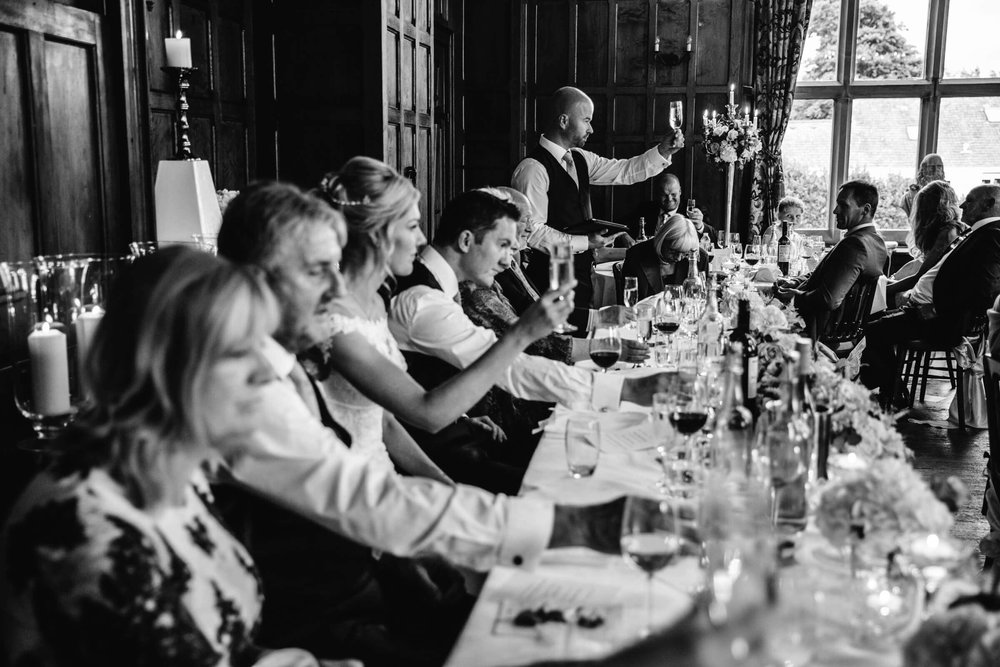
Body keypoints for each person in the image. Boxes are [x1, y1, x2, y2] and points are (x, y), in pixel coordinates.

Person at [213, 182, 630, 660]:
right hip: (325, 602)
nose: (335, 289)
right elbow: (362, 492)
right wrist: (555, 526)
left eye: (335, 265)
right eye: (316, 270)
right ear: (258, 277)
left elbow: (378, 447)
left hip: (365, 550)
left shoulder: (285, 362)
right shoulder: (247, 383)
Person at [0, 248, 349, 666]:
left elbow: (222, 639)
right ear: (167, 366)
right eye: (239, 352)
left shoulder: (178, 471)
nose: (264, 372)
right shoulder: (85, 529)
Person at [302, 157, 565, 485]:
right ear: (377, 235)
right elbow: (426, 413)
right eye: (412, 227)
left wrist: (444, 484)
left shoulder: (373, 302)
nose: (421, 240)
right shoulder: (336, 320)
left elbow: (385, 420)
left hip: (409, 463)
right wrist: (522, 334)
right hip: (359, 488)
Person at [391, 189, 676, 415]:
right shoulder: (424, 300)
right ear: (466, 241)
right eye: (504, 245)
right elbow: (511, 367)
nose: (508, 259)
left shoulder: (440, 286)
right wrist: (624, 390)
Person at [511, 85, 684, 309]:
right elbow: (533, 232)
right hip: (549, 281)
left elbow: (624, 171)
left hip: (582, 274)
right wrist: (586, 242)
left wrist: (663, 151)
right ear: (563, 121)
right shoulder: (532, 169)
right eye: (586, 120)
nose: (591, 129)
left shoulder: (580, 158)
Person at [860, 184, 1000, 405]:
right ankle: (890, 388)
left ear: (989, 204)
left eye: (970, 201)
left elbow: (986, 290)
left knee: (869, 330)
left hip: (941, 321)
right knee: (872, 322)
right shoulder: (980, 233)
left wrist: (936, 308)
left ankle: (889, 390)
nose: (962, 204)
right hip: (930, 313)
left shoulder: (991, 235)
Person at [774, 180, 887, 338]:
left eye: (843, 205)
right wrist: (796, 281)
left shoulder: (855, 245)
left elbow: (829, 300)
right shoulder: (876, 242)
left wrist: (794, 295)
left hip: (818, 329)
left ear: (865, 210)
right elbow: (829, 275)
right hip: (839, 328)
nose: (835, 211)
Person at [886, 180, 966, 307]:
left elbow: (919, 277)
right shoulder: (956, 228)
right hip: (934, 292)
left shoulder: (947, 233)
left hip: (931, 298)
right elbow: (920, 264)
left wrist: (884, 290)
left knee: (883, 298)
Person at [622, 213, 709, 301]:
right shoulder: (635, 256)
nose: (678, 258)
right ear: (662, 240)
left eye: (684, 254)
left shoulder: (700, 259)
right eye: (673, 251)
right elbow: (627, 303)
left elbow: (702, 300)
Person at [628, 171, 716, 246]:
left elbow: (714, 240)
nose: (669, 199)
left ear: (680, 191)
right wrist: (623, 234)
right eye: (664, 195)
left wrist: (700, 226)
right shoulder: (645, 209)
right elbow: (624, 227)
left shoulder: (693, 211)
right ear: (657, 194)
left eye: (673, 194)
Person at [898, 153, 946, 219]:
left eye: (939, 167)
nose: (935, 170)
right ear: (923, 169)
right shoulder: (909, 197)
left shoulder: (948, 195)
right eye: (931, 167)